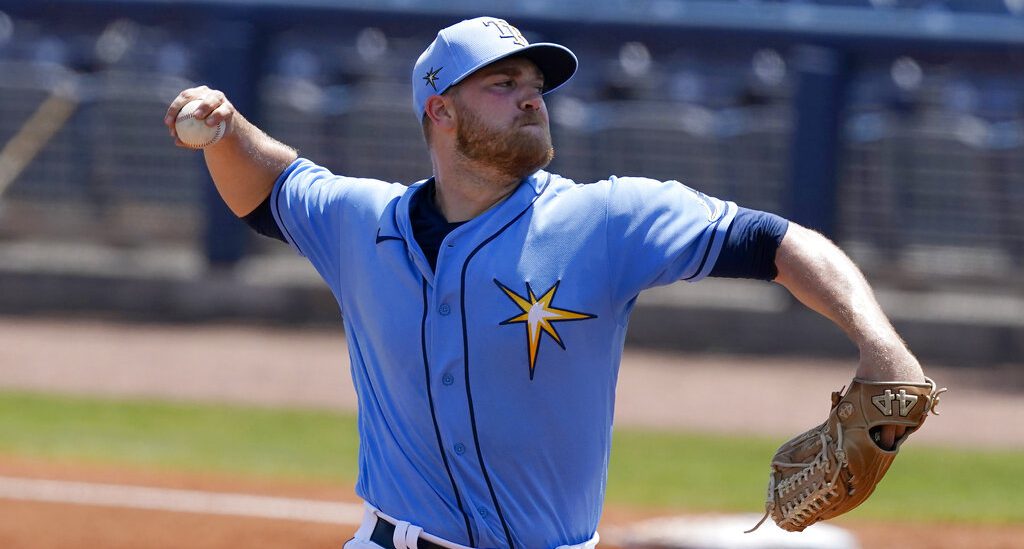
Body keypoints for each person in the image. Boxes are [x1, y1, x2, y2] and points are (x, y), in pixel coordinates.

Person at [164, 16, 927, 549]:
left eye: (536, 82)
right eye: (502, 83)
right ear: (441, 111)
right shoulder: (361, 222)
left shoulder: (608, 218)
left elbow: (776, 240)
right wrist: (226, 125)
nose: (533, 95)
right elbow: (272, 188)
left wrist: (880, 346)